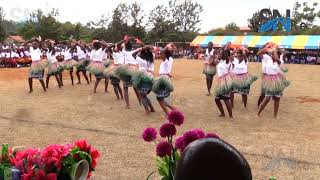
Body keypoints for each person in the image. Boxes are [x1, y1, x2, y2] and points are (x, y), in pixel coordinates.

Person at [257, 43, 290, 119]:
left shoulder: (280, 61)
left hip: (277, 81)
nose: (272, 56)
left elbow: (276, 58)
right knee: (267, 98)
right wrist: (266, 47)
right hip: (269, 80)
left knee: (277, 99)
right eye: (271, 54)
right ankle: (258, 113)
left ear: (278, 56)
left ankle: (275, 115)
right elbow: (258, 53)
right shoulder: (268, 59)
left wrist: (274, 50)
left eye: (274, 55)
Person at [152, 43, 176, 115]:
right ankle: (172, 108)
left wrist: (167, 46)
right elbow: (160, 54)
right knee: (160, 97)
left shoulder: (166, 60)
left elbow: (162, 52)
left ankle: (168, 113)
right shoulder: (170, 59)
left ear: (165, 55)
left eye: (163, 55)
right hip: (164, 78)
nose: (161, 55)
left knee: (159, 98)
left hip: (163, 80)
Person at [133, 46, 156, 114]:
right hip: (151, 79)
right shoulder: (152, 56)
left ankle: (147, 110)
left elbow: (133, 54)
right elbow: (150, 51)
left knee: (142, 95)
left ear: (143, 52)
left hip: (144, 79)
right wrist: (143, 48)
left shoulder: (140, 59)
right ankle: (152, 108)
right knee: (144, 95)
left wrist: (139, 50)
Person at [214, 43, 233, 118]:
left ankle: (230, 115)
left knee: (226, 99)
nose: (220, 54)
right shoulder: (222, 61)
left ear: (226, 55)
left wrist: (226, 46)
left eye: (222, 53)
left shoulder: (227, 61)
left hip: (225, 81)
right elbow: (218, 52)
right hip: (222, 81)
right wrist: (222, 48)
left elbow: (224, 52)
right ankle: (223, 113)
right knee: (217, 99)